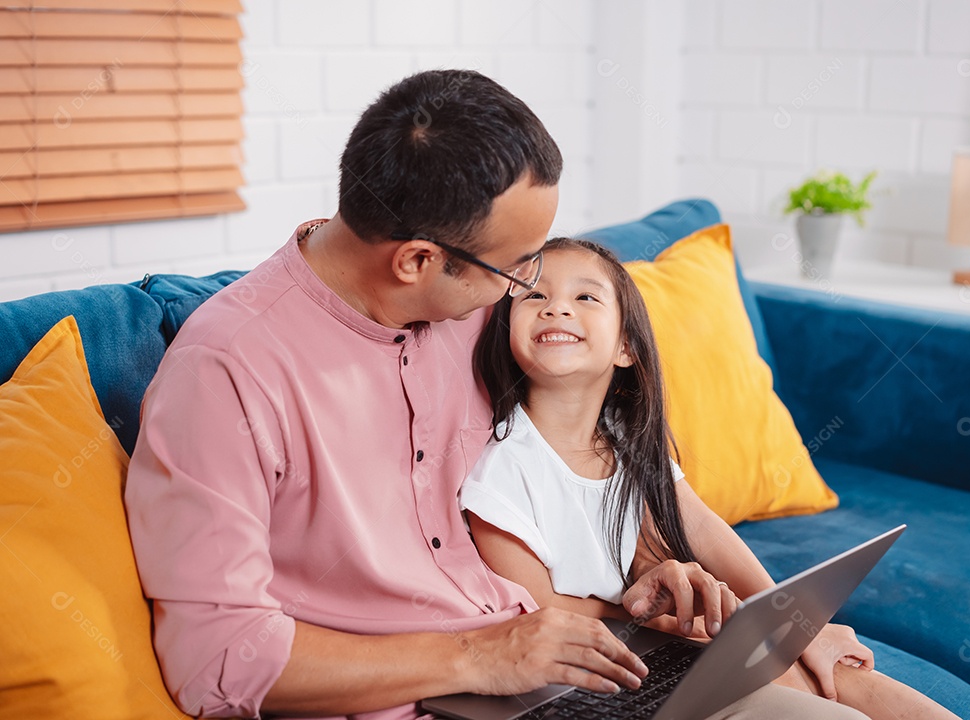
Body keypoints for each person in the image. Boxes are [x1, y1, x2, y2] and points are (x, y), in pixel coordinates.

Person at [124, 69, 871, 720]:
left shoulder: (468, 311)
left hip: (564, 655)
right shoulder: (227, 373)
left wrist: (642, 579)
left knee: (845, 697)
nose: (528, 294)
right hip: (425, 698)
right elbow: (215, 656)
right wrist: (479, 658)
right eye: (517, 272)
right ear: (418, 260)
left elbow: (589, 448)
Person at [462, 238, 962, 720]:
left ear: (626, 348)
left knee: (831, 671)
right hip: (588, 665)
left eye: (585, 296)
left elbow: (702, 527)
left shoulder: (625, 439)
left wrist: (795, 622)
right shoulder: (501, 465)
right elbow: (535, 609)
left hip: (648, 641)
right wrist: (654, 618)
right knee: (804, 685)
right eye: (534, 295)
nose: (555, 308)